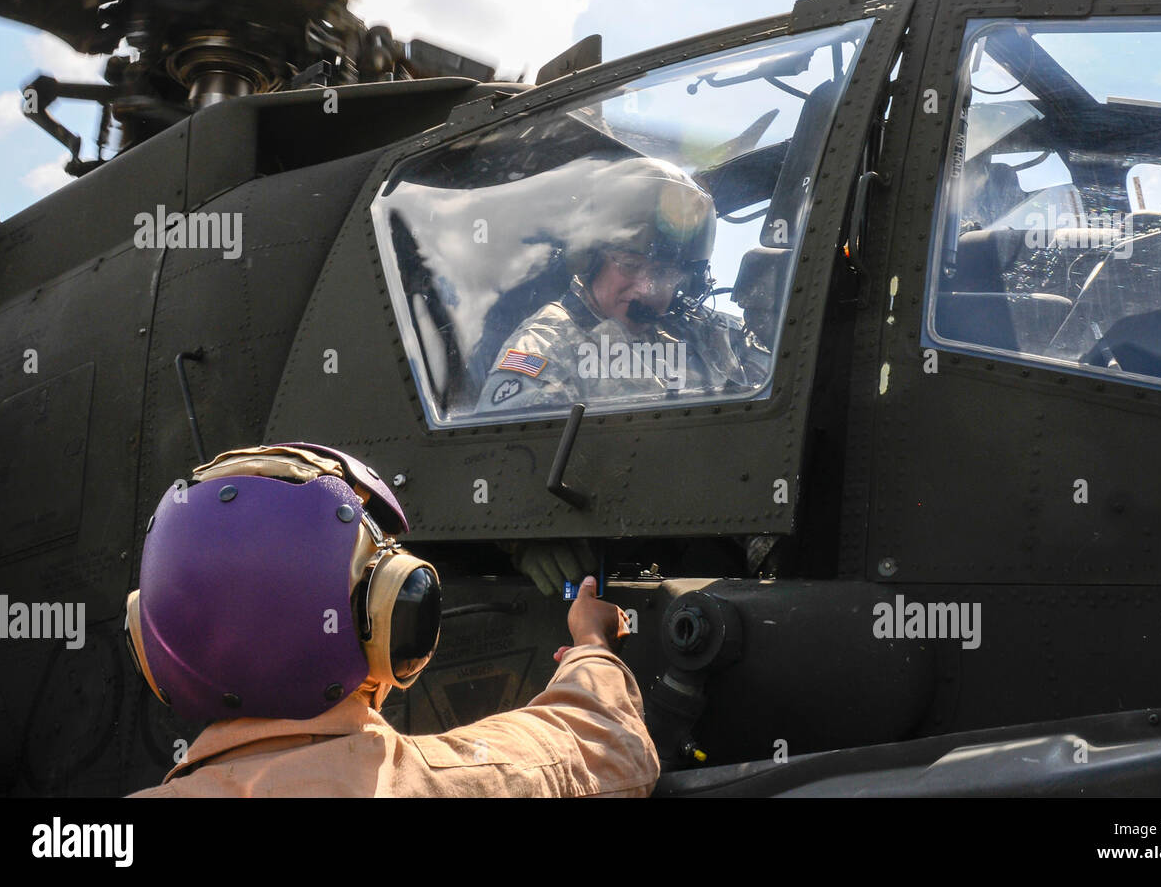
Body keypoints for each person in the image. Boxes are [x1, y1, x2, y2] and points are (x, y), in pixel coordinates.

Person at [127, 443, 657, 797]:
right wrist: (591, 644)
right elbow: (604, 744)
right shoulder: (452, 783)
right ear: (395, 620)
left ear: (151, 645)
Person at [475, 157, 770, 415]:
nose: (646, 289)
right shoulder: (544, 350)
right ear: (588, 261)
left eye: (665, 273)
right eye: (630, 265)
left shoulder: (706, 333)